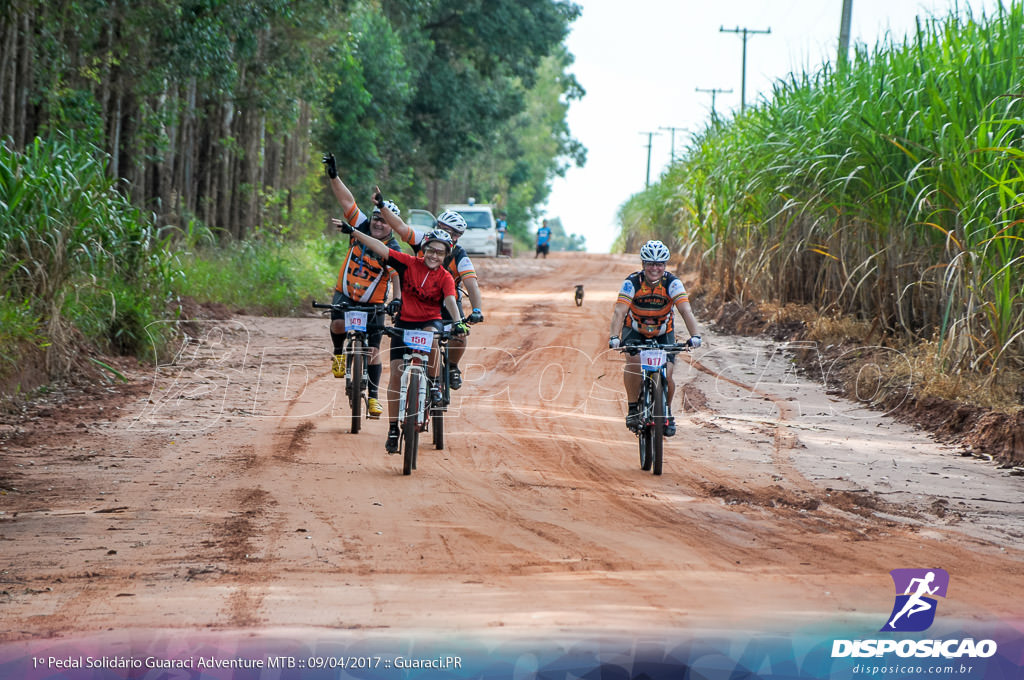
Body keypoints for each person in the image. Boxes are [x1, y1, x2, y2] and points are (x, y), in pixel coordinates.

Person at [338, 200, 468, 454]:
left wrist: (460, 323)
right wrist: (353, 232)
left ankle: (432, 384)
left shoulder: (445, 277)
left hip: (429, 323)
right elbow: (380, 247)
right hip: (404, 324)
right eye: (430, 250)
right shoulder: (409, 263)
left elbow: (451, 302)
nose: (433, 256)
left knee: (431, 338)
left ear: (445, 256)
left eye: (439, 253)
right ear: (424, 250)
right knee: (396, 376)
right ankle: (393, 429)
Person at [322, 153, 403, 419]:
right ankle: (338, 354)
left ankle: (374, 397)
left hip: (373, 303)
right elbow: (347, 200)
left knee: (372, 350)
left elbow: (395, 276)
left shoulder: (392, 248)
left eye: (384, 220)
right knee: (336, 325)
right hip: (345, 293)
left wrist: (397, 300)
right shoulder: (361, 226)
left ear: (391, 223)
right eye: (376, 219)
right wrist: (334, 176)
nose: (379, 223)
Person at [376, 201, 485, 391]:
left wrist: (476, 310)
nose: (442, 234)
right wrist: (382, 207)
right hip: (418, 298)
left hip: (447, 303)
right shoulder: (423, 239)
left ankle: (451, 367)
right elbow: (400, 227)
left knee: (459, 335)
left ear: (457, 236)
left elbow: (471, 284)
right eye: (440, 228)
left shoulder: (459, 256)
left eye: (449, 231)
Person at [608, 240, 702, 437]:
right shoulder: (631, 283)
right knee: (634, 363)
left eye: (659, 264)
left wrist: (695, 336)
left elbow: (686, 310)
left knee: (667, 374)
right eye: (650, 264)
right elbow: (619, 312)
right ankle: (634, 409)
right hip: (634, 330)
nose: (655, 268)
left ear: (665, 265)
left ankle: (666, 412)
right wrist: (614, 337)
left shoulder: (673, 283)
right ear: (643, 264)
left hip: (663, 333)